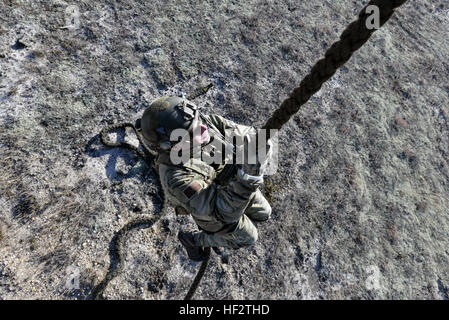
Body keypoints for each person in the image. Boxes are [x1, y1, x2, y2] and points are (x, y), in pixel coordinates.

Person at [139, 96, 272, 261]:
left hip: (229, 184)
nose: (203, 128)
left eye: (198, 120)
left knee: (265, 213)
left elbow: (242, 133)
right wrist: (248, 178)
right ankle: (194, 239)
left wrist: (257, 141)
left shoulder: (206, 124)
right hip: (213, 210)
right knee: (249, 237)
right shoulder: (177, 178)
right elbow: (222, 214)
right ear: (172, 147)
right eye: (191, 132)